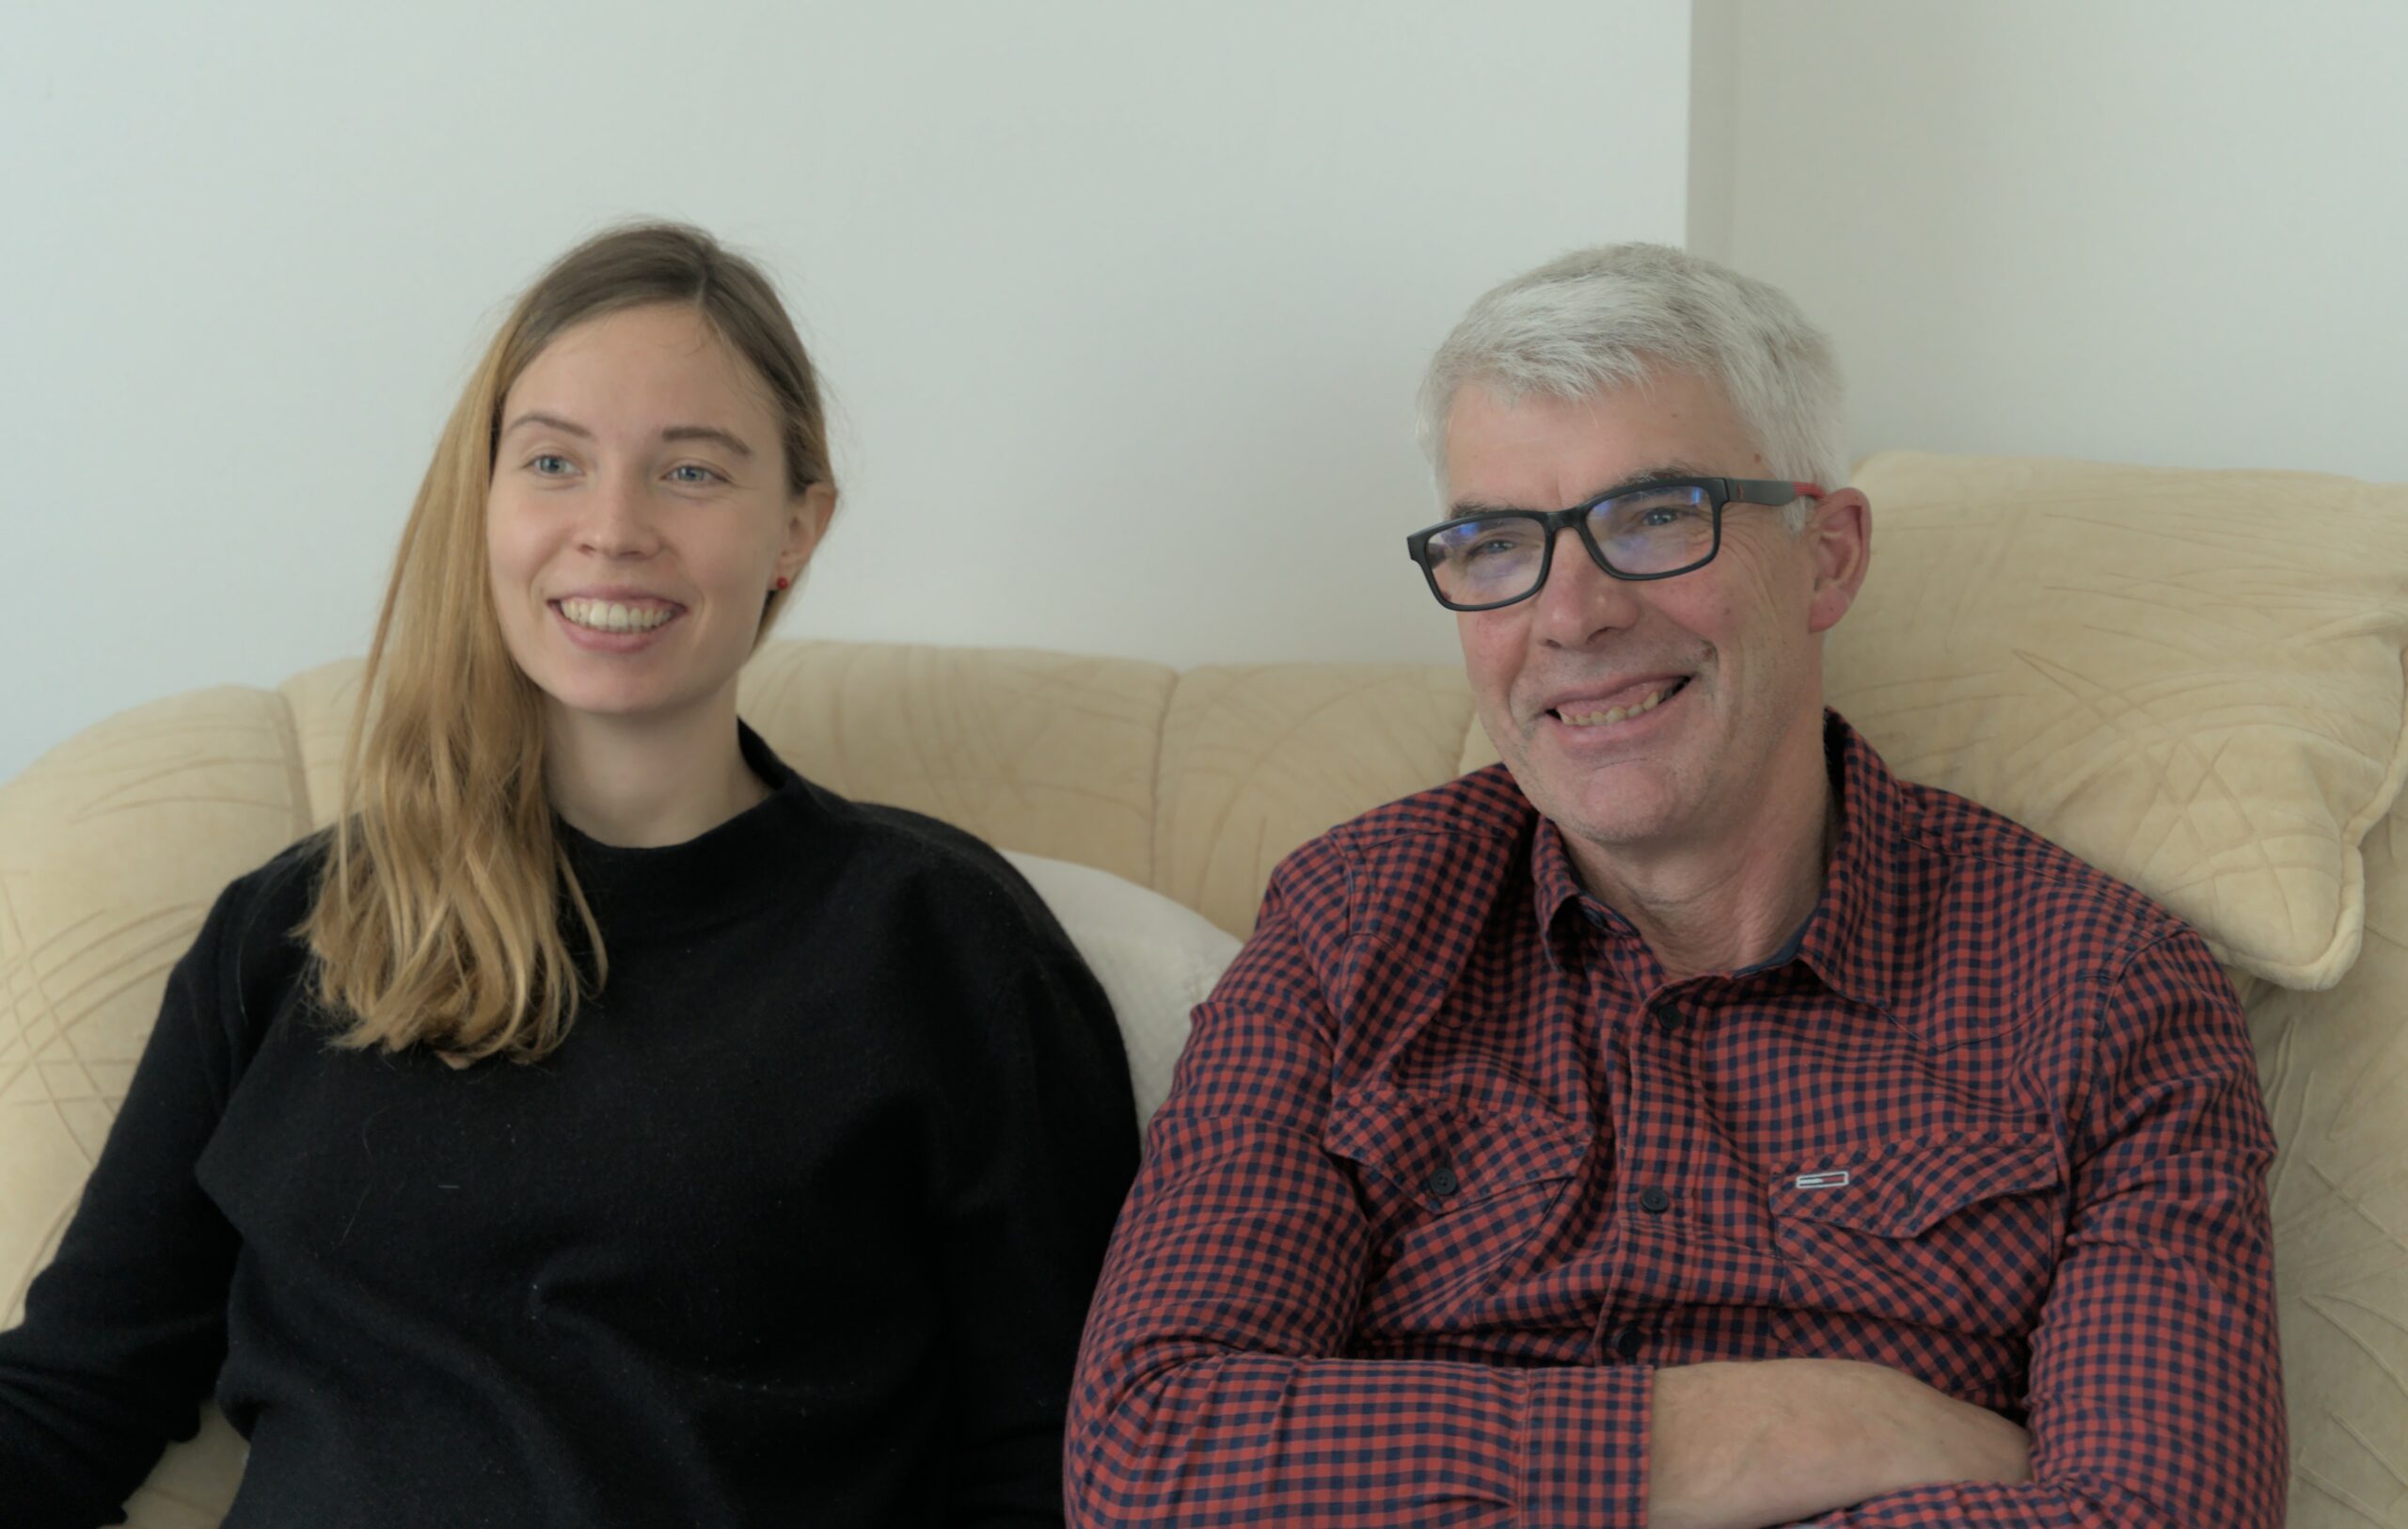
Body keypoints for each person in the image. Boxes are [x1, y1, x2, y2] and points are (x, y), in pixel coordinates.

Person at [1065, 244, 2284, 1527]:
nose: (1571, 615)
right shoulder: (1350, 928)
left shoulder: (2105, 989)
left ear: (1828, 557)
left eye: (1655, 516)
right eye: (1496, 544)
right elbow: (1148, 1459)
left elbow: (2162, 1516)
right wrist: (1796, 1428)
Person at [0, 223, 1138, 1527]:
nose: (612, 531)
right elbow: (73, 1392)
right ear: (483, 502)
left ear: (796, 529)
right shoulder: (294, 930)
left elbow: (1055, 1457)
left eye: (691, 472)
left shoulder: (942, 943)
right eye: (553, 461)